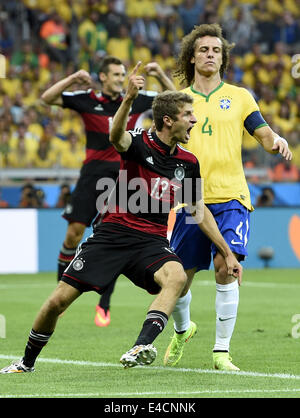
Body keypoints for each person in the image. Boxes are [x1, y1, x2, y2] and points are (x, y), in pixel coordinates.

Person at [0, 63, 242, 373]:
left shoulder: (188, 161)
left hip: (151, 241)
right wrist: (128, 99)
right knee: (58, 301)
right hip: (112, 235)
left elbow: (198, 209)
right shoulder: (138, 143)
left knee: (177, 277)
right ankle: (25, 362)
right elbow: (116, 137)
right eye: (188, 116)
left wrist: (226, 251)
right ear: (168, 121)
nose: (195, 120)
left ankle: (142, 345)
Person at [163, 23, 292, 372]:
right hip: (191, 195)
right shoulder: (180, 101)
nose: (210, 55)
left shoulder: (239, 96)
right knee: (176, 279)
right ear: (192, 57)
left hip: (233, 194)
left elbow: (261, 132)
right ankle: (182, 329)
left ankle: (221, 352)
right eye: (204, 50)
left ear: (223, 57)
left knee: (227, 267)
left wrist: (275, 139)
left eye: (216, 50)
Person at [41, 55, 177, 328]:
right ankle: (61, 292)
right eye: (116, 74)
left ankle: (104, 303)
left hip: (124, 178)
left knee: (115, 235)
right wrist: (71, 79)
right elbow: (47, 98)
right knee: (74, 233)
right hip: (92, 175)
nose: (120, 78)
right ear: (103, 77)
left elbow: (173, 102)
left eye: (122, 73)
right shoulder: (86, 99)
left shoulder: (135, 98)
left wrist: (160, 74)